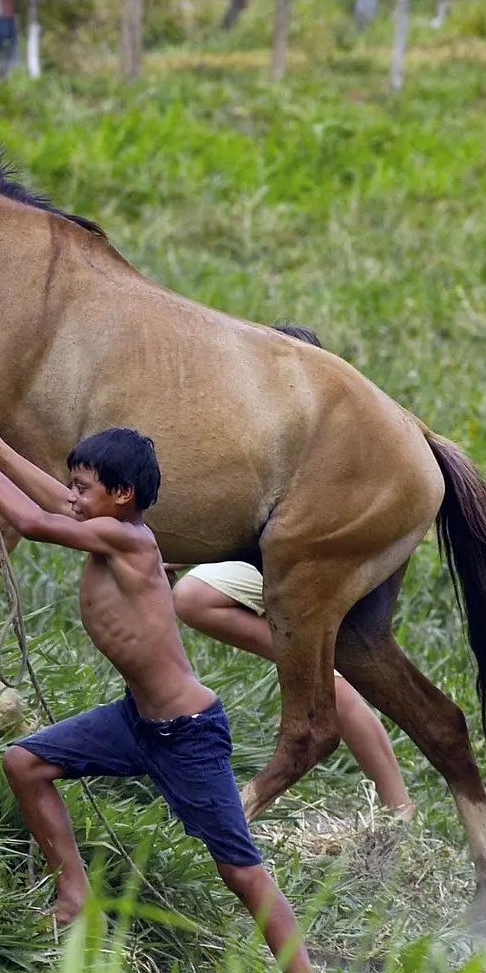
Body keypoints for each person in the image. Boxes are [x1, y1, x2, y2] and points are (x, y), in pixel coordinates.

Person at [0, 405, 320, 973]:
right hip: (135, 722)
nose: (73, 496)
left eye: (84, 488)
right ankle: (73, 895)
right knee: (25, 762)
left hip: (186, 735)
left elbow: (36, 522)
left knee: (240, 869)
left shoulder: (127, 538)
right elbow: (56, 503)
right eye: (74, 484)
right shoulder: (104, 519)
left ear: (121, 496)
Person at [172, 321, 415, 820]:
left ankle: (399, 806)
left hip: (309, 575)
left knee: (321, 677)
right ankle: (398, 804)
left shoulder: (323, 459)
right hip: (286, 568)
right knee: (326, 676)